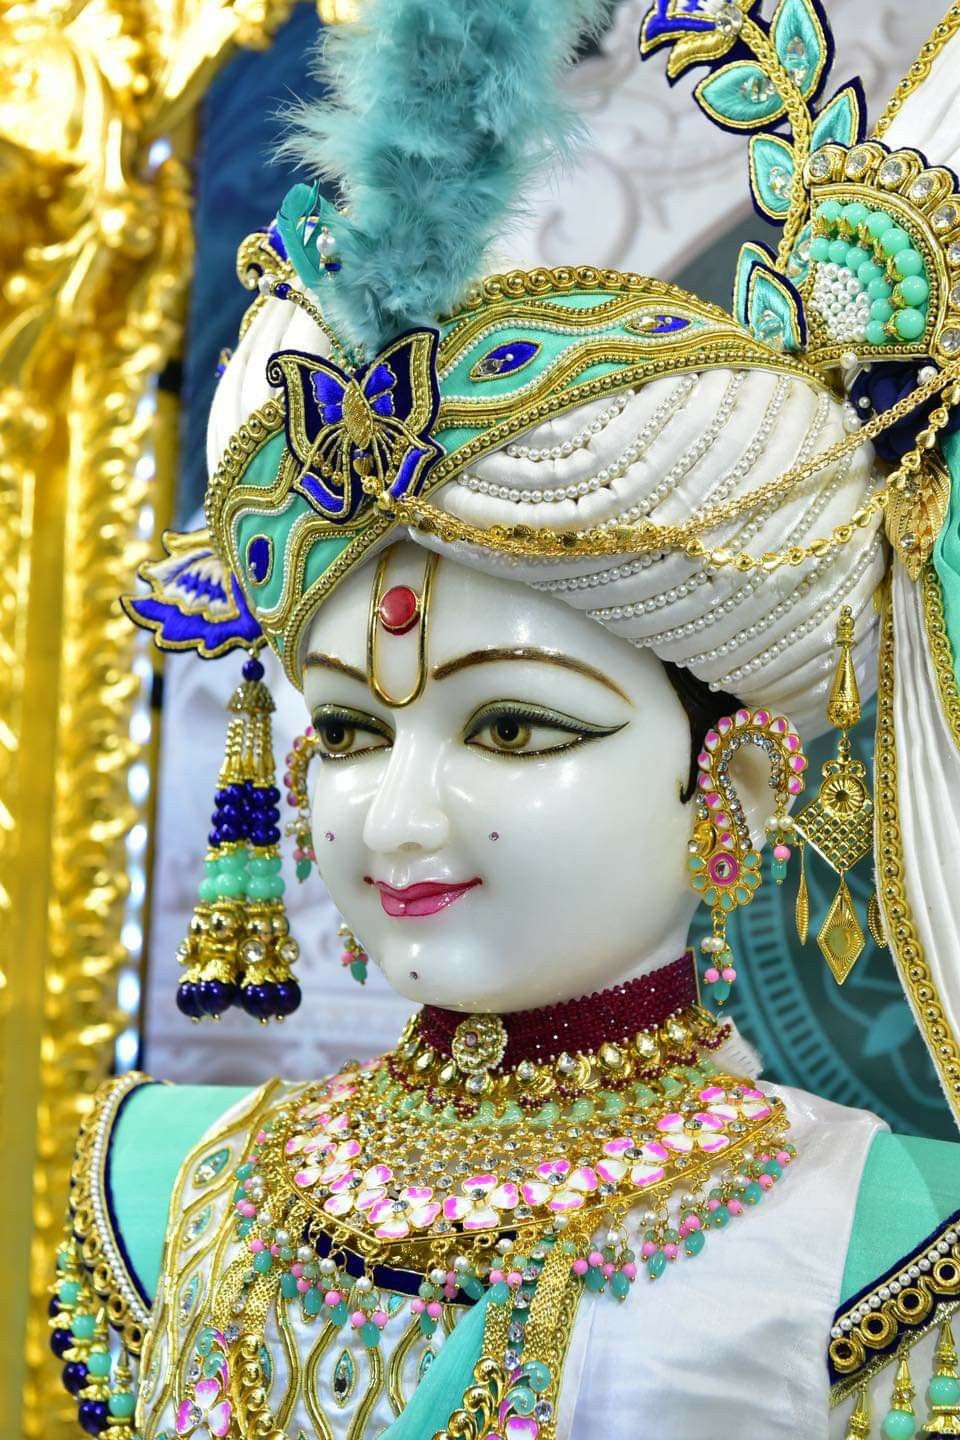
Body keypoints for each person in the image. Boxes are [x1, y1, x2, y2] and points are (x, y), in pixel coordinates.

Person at [51, 1, 960, 1435]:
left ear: (740, 782)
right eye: (348, 733)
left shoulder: (867, 1245)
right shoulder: (173, 1189)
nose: (397, 817)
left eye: (515, 731)